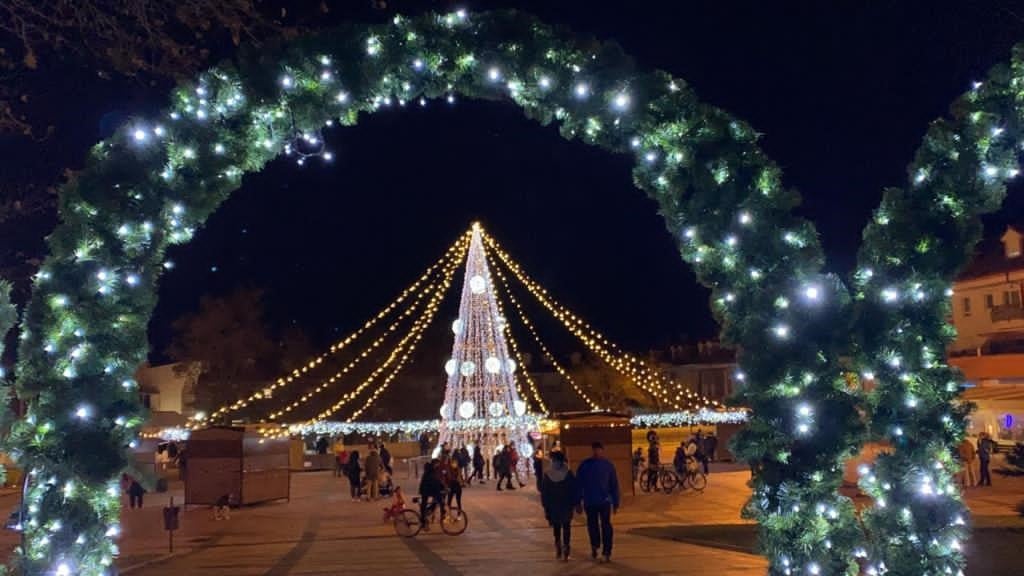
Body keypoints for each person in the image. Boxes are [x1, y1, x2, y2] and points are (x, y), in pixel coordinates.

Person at [576, 441, 620, 563]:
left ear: (602, 450)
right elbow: (579, 484)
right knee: (592, 526)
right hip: (590, 501)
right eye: (595, 449)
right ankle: (595, 545)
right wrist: (578, 501)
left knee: (606, 526)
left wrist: (616, 502)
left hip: (604, 501)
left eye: (598, 449)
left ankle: (606, 551)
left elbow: (613, 485)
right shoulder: (585, 465)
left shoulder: (608, 465)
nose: (597, 452)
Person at [541, 450, 577, 562]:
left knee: (562, 526)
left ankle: (563, 546)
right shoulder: (567, 473)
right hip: (561, 505)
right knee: (563, 526)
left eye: (555, 460)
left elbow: (545, 492)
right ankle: (562, 545)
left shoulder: (549, 474)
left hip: (558, 505)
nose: (554, 462)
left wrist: (546, 506)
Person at [418, 459, 445, 530]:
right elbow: (434, 481)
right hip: (426, 489)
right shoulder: (430, 470)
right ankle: (423, 521)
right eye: (438, 464)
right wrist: (442, 487)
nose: (438, 466)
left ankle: (428, 512)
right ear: (435, 464)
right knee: (439, 500)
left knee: (436, 500)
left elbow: (436, 480)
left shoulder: (431, 469)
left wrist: (442, 486)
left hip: (427, 489)